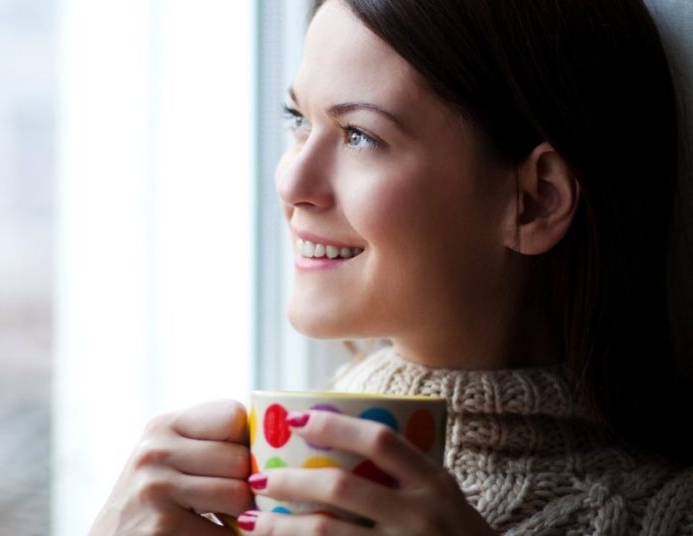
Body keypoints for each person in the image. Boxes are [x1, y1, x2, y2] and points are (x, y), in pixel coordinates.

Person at [91, 0, 693, 533]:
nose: (290, 180)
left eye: (359, 135)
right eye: (298, 119)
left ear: (535, 200)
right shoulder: (239, 482)